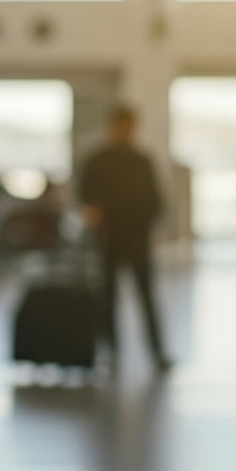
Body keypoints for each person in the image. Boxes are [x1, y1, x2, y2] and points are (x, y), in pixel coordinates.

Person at [79, 104, 173, 373]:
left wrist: (147, 228)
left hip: (137, 238)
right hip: (108, 238)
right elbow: (86, 197)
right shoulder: (98, 161)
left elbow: (155, 201)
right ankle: (111, 352)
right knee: (107, 297)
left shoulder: (142, 161)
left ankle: (156, 352)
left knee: (147, 296)